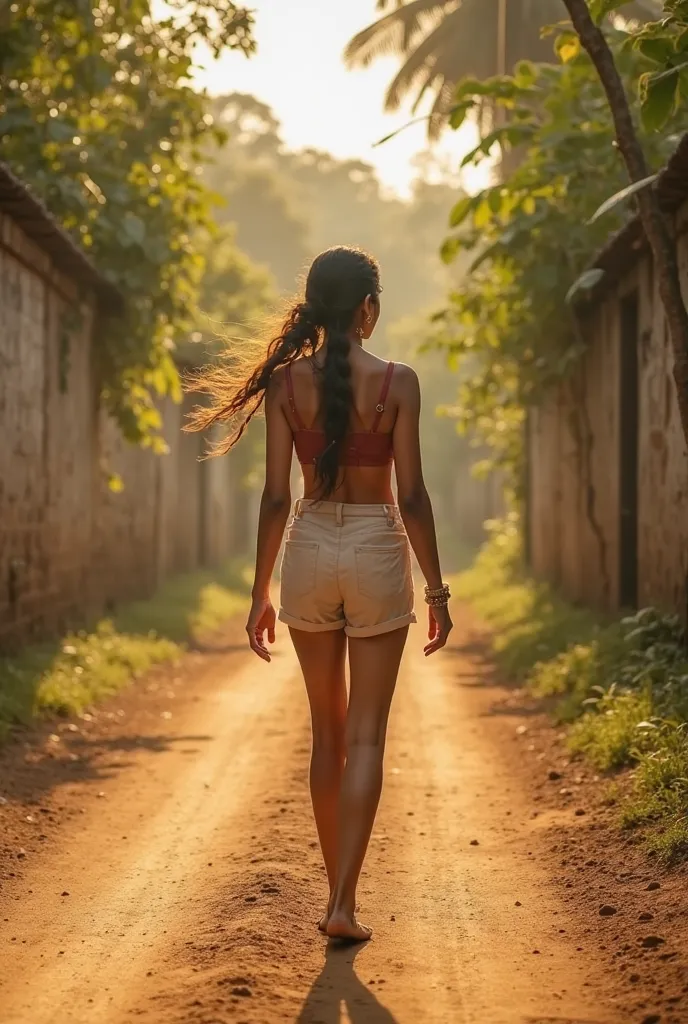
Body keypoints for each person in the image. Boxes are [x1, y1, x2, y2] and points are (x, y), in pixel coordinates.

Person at [187, 246, 452, 942]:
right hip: (374, 548)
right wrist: (438, 588)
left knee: (326, 733)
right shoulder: (400, 382)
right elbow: (415, 496)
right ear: (367, 308)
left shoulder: (284, 387)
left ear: (314, 306)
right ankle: (343, 903)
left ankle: (335, 896)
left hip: (307, 550)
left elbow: (277, 497)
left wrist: (259, 594)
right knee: (366, 736)